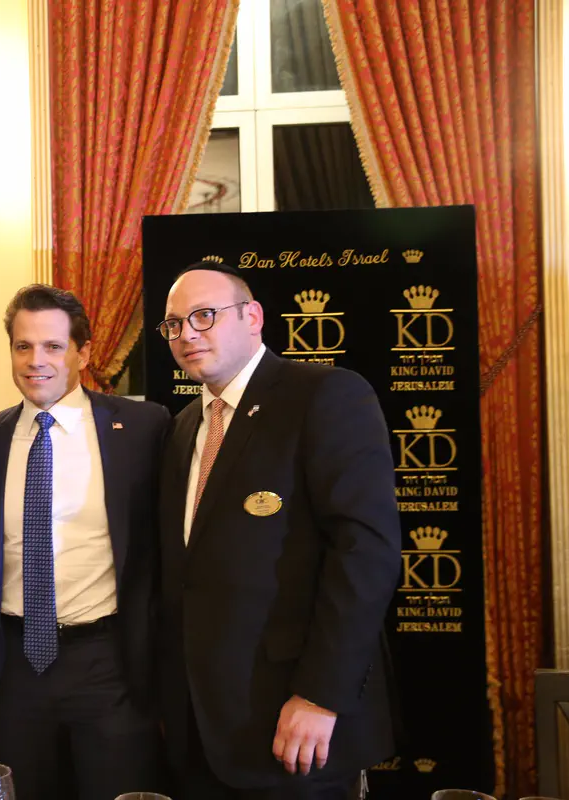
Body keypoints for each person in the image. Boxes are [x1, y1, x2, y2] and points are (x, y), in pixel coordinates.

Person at [155, 260, 400, 800]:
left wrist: (320, 696)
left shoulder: (325, 395)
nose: (187, 334)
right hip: (200, 733)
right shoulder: (183, 427)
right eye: (174, 324)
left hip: (295, 725)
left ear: (253, 317)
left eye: (204, 315)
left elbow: (365, 554)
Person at [0, 284, 171, 799]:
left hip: (109, 662)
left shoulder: (142, 427)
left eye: (53, 346)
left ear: (84, 352)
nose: (36, 360)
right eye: (23, 346)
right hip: (16, 667)